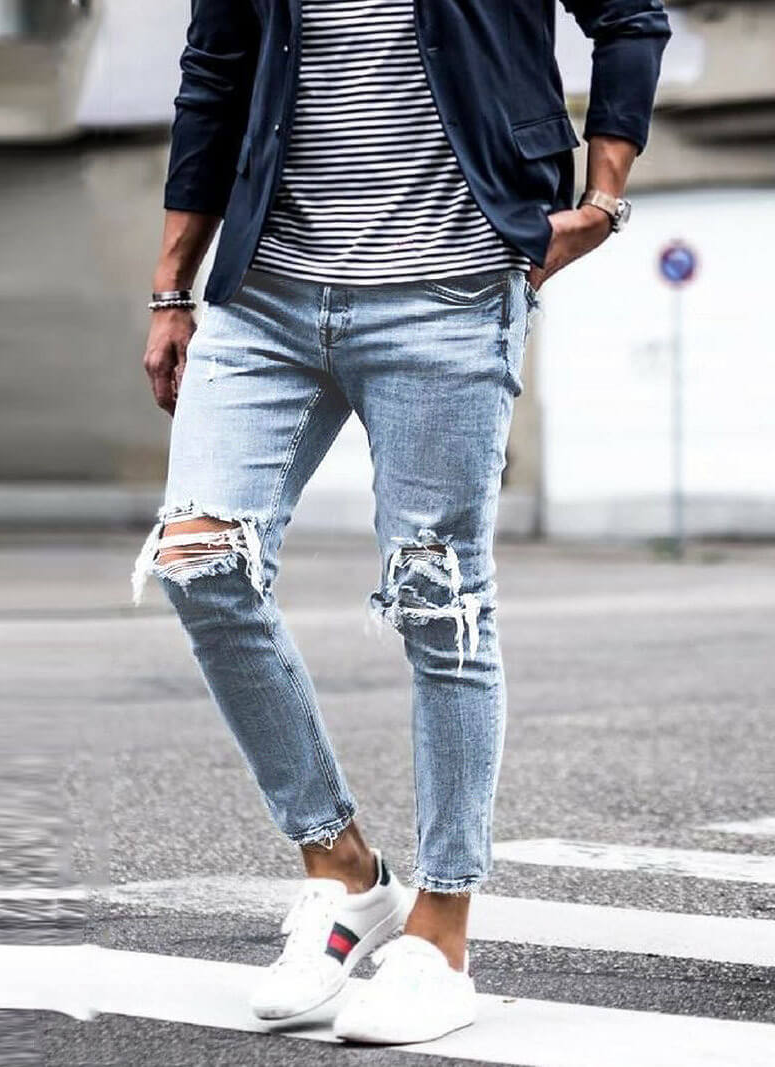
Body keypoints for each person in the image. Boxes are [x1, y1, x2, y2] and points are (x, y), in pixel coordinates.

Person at [133, 0, 670, 1045]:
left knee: (440, 598)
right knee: (199, 558)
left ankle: (441, 932)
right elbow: (213, 77)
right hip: (264, 287)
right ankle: (343, 868)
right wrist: (171, 287)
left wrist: (603, 200)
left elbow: (628, 16)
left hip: (450, 283)